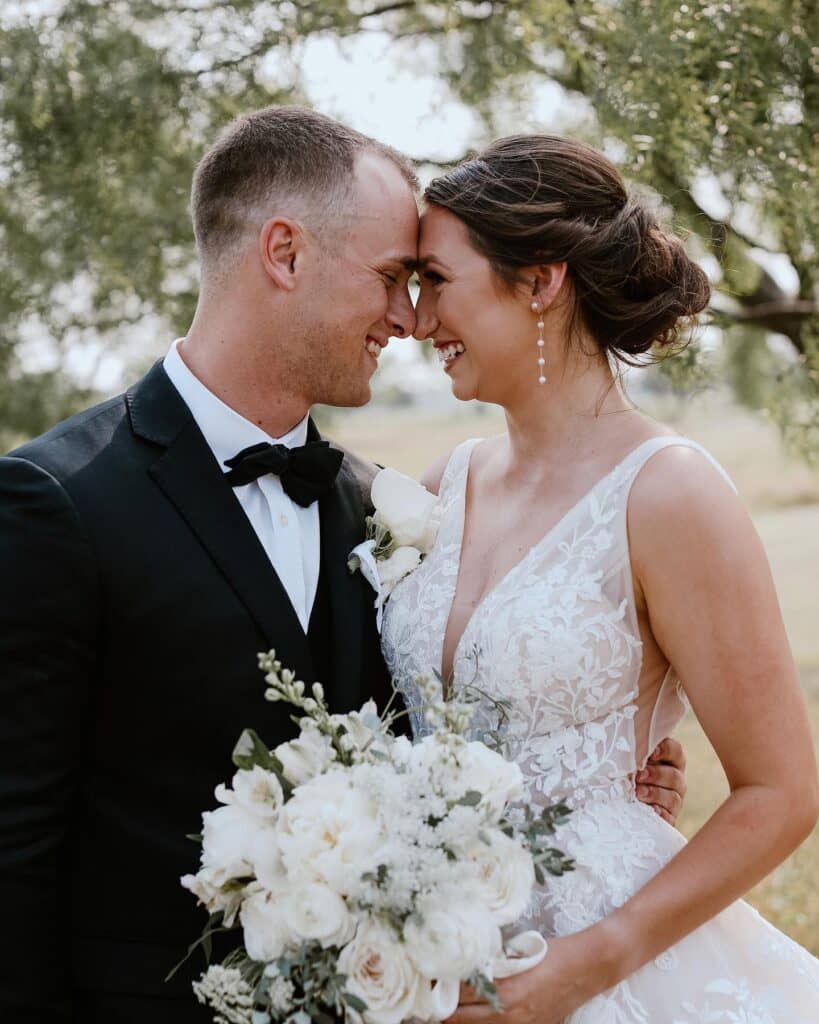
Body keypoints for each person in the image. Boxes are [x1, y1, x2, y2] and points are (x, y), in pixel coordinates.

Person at [0, 108, 687, 1022]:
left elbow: (429, 739)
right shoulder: (57, 500)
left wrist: (588, 792)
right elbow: (12, 855)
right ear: (283, 253)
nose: (410, 318)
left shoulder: (386, 507)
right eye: (394, 277)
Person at [381, 134, 819, 1022]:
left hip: (604, 963)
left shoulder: (669, 493)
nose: (418, 320)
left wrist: (591, 962)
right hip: (436, 961)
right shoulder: (439, 487)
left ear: (539, 282)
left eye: (436, 280)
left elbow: (781, 791)